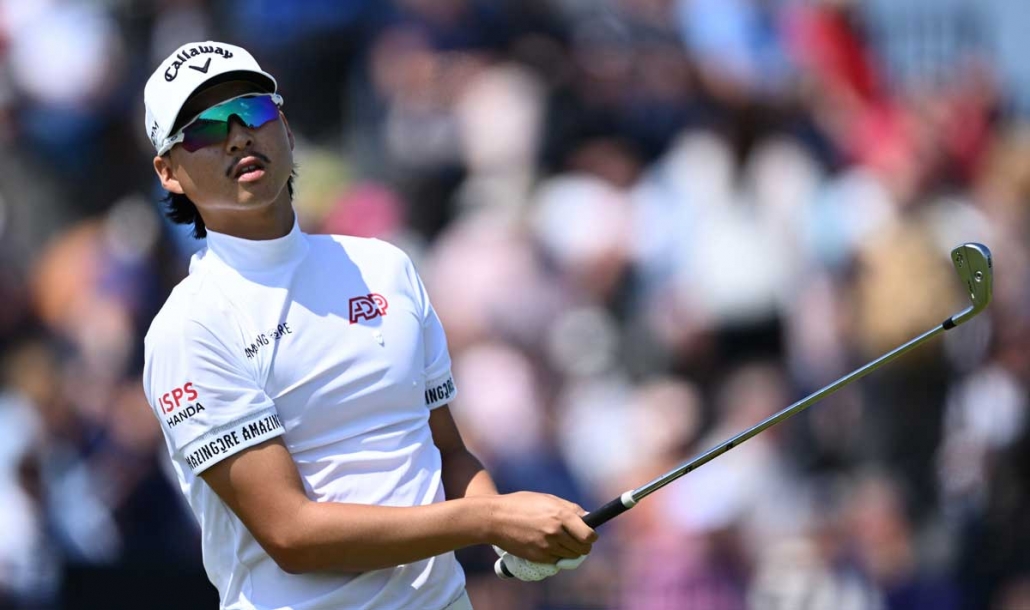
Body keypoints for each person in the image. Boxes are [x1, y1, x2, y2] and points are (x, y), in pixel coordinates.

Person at [140, 41, 596, 610]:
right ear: (169, 172)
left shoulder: (385, 267)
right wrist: (490, 518)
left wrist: (514, 531)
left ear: (284, 127)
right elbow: (292, 535)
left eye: (252, 110)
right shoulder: (190, 326)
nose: (237, 136)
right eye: (205, 129)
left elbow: (446, 452)